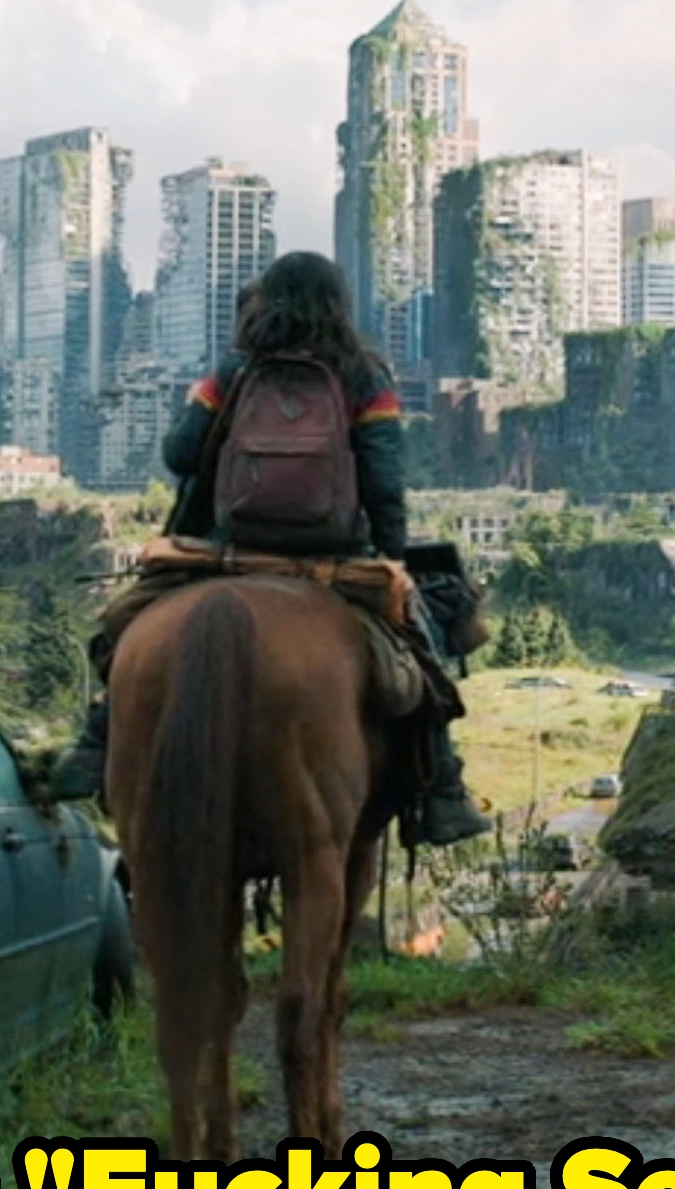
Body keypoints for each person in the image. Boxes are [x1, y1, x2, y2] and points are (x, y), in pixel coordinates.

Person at [58, 251, 487, 845]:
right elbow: (385, 482)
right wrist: (391, 563)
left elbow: (180, 456)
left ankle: (94, 743)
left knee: (125, 628)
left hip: (226, 551)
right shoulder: (366, 375)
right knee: (422, 654)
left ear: (266, 302)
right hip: (337, 557)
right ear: (339, 306)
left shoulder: (233, 372)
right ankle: (444, 790)